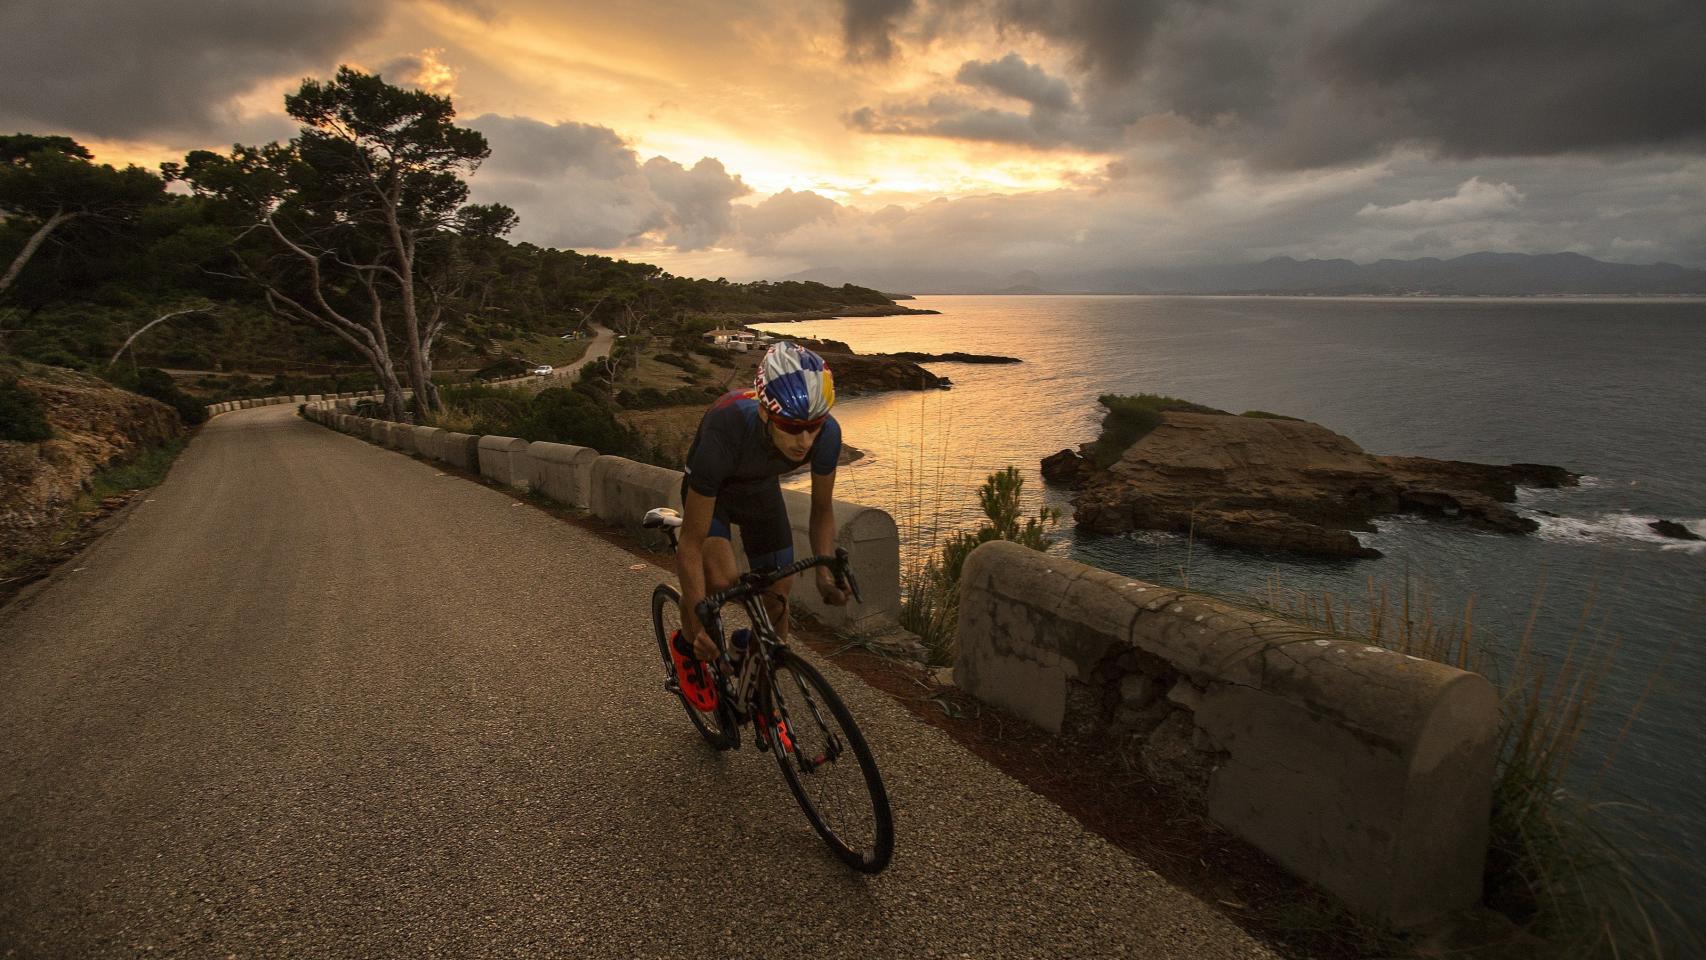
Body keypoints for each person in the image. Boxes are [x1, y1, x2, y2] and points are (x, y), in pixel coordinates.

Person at [670, 341, 850, 705]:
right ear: (767, 414)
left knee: (778, 597)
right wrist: (695, 610)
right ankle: (687, 648)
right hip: (714, 493)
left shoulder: (826, 435)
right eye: (792, 427)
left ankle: (754, 669)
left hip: (760, 492)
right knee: (720, 581)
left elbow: (821, 510)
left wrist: (825, 571)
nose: (804, 441)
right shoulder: (726, 431)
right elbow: (690, 542)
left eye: (814, 426)